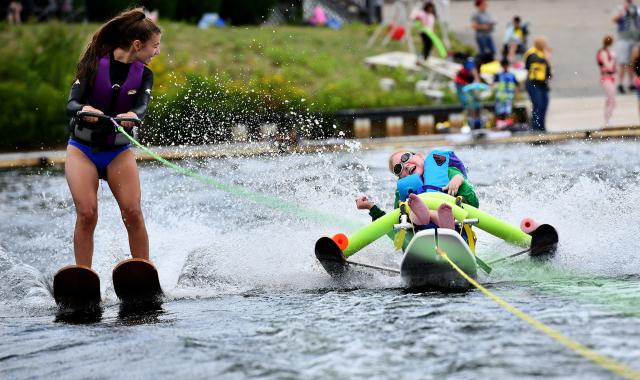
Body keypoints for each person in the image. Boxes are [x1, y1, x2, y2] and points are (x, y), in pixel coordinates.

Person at [65, 8, 161, 268]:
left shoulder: (145, 75)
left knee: (132, 213)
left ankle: (143, 269)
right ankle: (83, 274)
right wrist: (84, 110)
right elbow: (72, 103)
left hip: (117, 152)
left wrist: (132, 114)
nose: (157, 51)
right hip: (83, 150)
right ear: (137, 44)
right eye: (155, 46)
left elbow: (141, 107)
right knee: (87, 213)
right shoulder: (93, 64)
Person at [355, 149, 479, 233]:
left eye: (405, 158)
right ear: (400, 178)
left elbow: (473, 202)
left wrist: (459, 179)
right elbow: (392, 223)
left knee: (422, 206)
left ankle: (439, 219)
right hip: (422, 228)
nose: (406, 165)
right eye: (398, 168)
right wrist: (371, 207)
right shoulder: (403, 192)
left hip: (457, 224)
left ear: (420, 156)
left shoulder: (448, 173)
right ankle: (430, 215)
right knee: (410, 206)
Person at [524, 36, 552, 132]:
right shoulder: (532, 53)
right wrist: (546, 56)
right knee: (538, 104)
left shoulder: (542, 53)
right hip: (533, 83)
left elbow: (547, 68)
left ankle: (542, 127)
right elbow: (536, 62)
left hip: (543, 84)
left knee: (544, 104)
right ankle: (535, 128)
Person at [613, 0, 640, 94]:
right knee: (622, 62)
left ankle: (631, 83)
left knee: (632, 62)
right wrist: (623, 12)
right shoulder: (621, 9)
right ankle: (620, 83)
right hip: (623, 39)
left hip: (635, 39)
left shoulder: (637, 9)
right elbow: (615, 19)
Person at [597, 35, 617, 127]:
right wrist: (613, 58)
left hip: (610, 77)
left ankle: (608, 119)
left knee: (609, 100)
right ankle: (607, 120)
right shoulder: (604, 53)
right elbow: (608, 66)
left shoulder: (607, 51)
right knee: (611, 100)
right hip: (606, 78)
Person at [493, 58, 519, 129]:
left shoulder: (511, 75)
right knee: (499, 112)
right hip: (500, 96)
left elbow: (516, 85)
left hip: (509, 96)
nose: (505, 67)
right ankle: (499, 125)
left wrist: (516, 95)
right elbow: (494, 84)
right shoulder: (498, 75)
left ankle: (508, 125)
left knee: (508, 111)